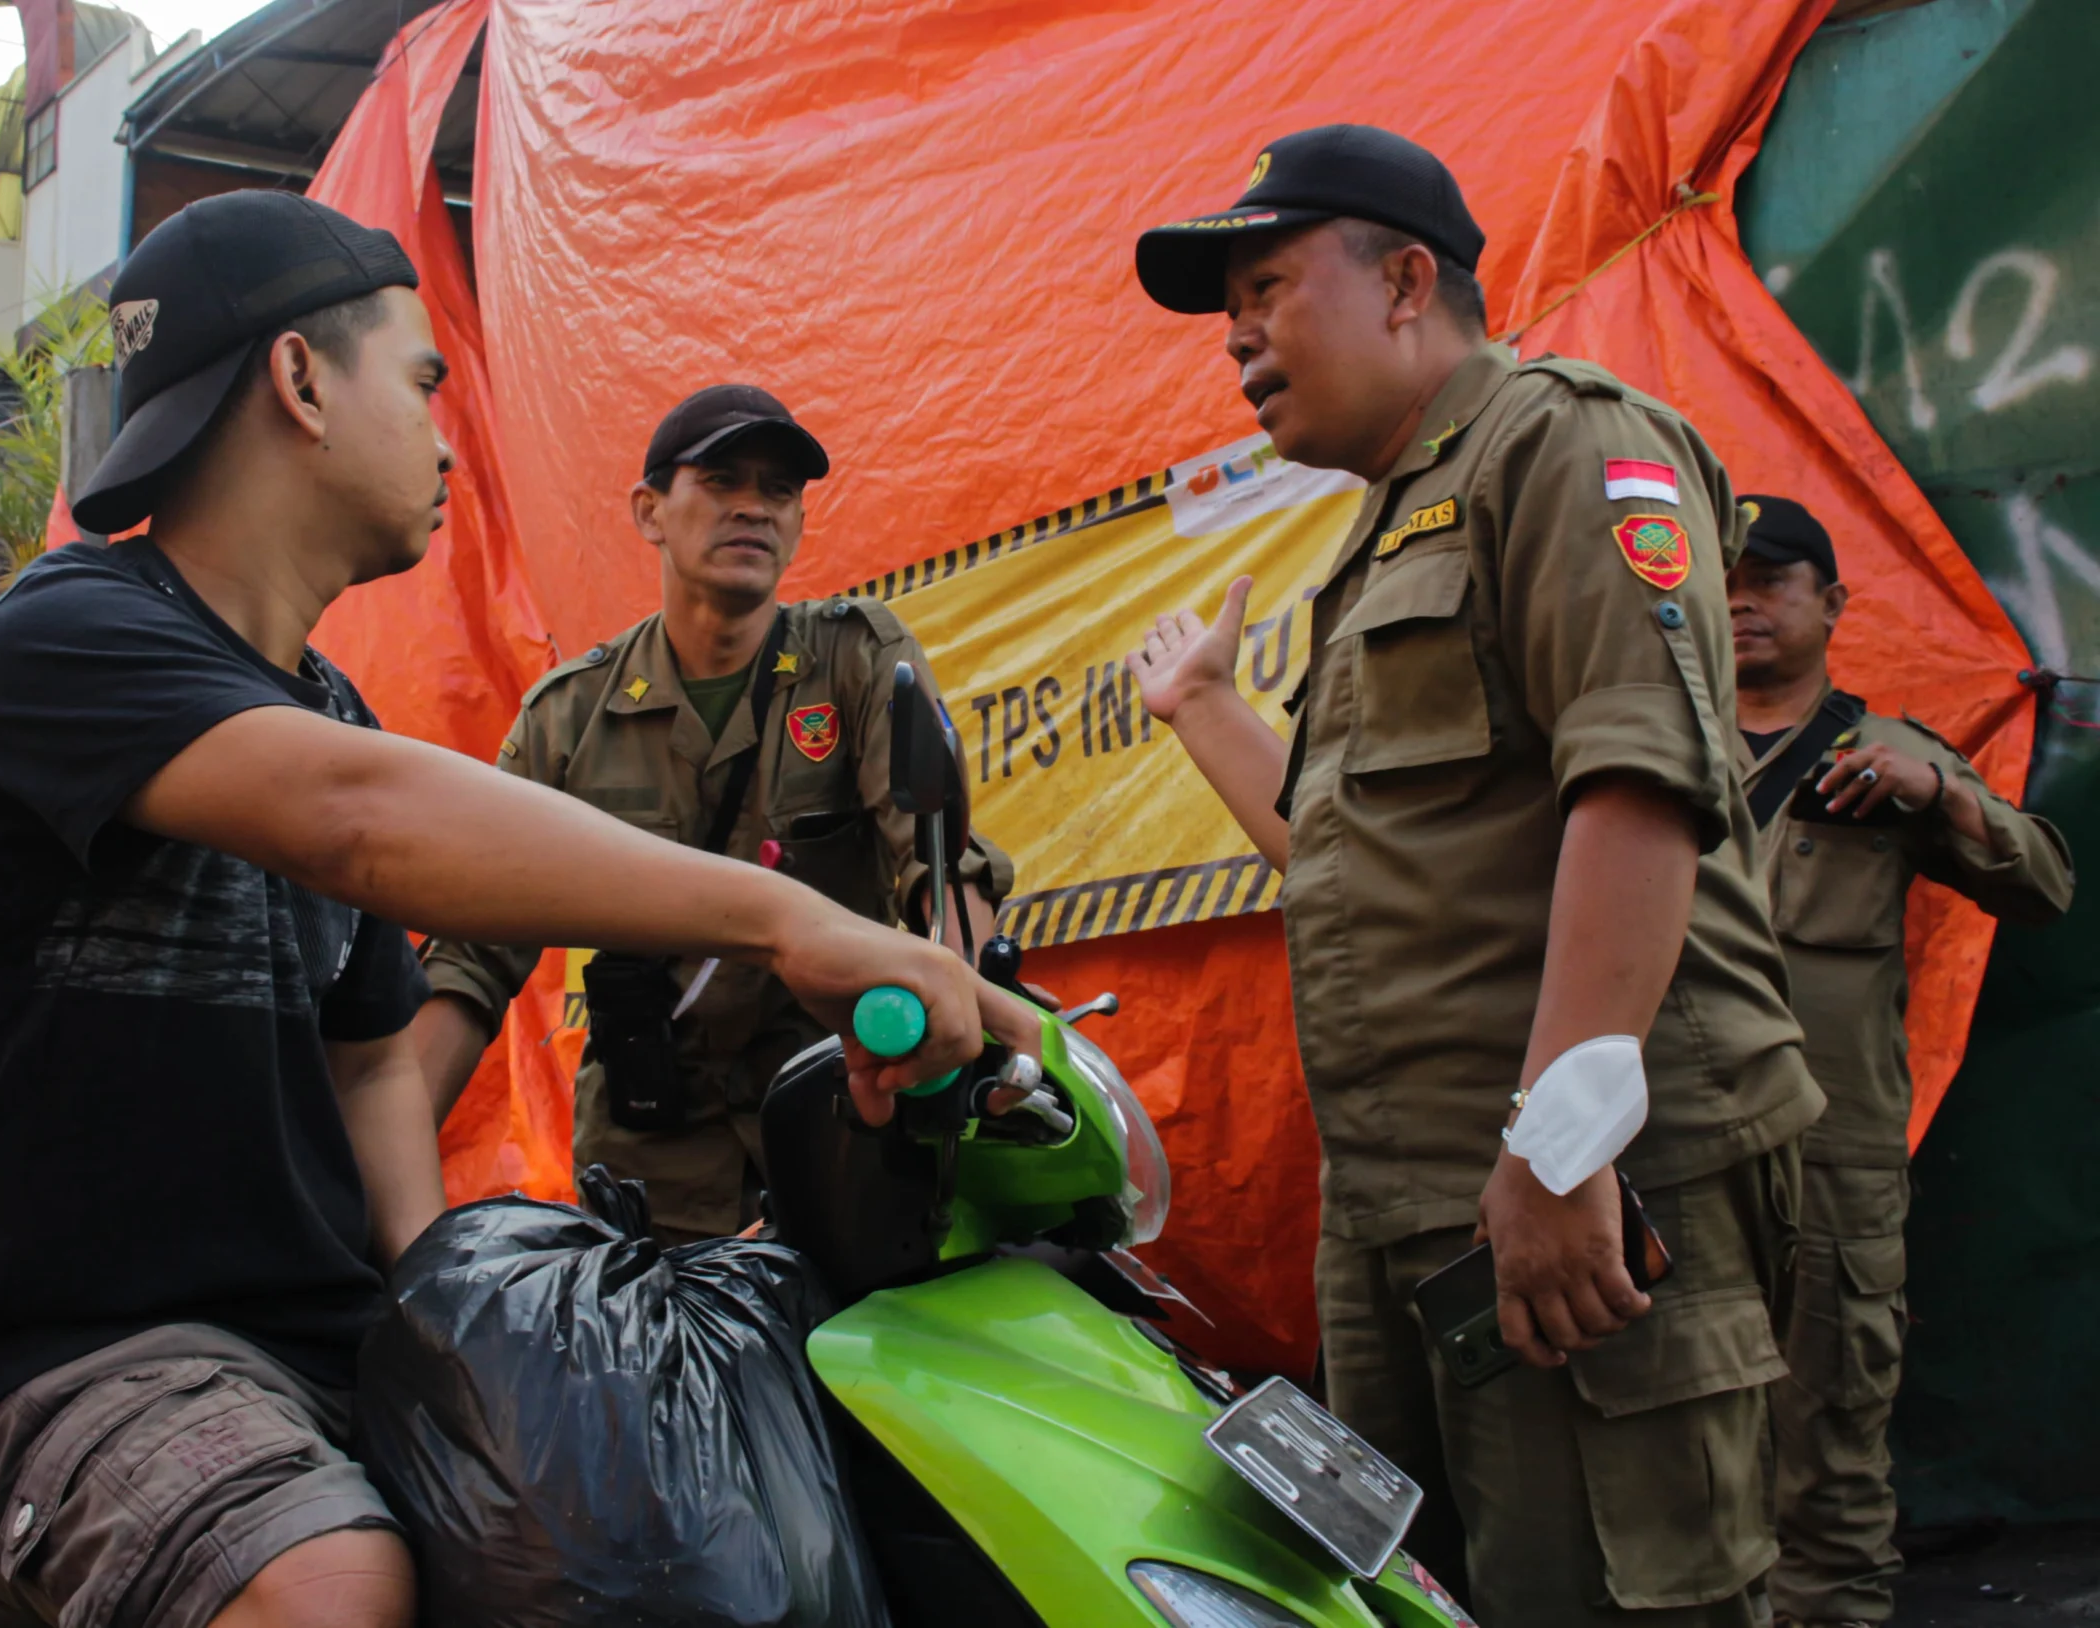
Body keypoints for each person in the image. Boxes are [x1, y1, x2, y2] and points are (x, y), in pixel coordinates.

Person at [0, 190, 1028, 1628]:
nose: (448, 435)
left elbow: (373, 1064)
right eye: (420, 382)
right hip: (52, 1360)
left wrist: (448, 1324)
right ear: (298, 381)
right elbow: (364, 823)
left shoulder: (331, 701)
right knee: (334, 1584)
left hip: (307, 1340)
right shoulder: (66, 639)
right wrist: (790, 922)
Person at [1122, 125, 1824, 1623]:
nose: (1237, 333)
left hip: (1582, 1188)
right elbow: (1351, 866)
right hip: (1422, 1207)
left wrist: (1562, 1145)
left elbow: (1638, 786)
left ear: (1404, 281)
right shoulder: (1385, 534)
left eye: (1264, 282)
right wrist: (1207, 713)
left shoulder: (1565, 443)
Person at [409, 385, 1012, 1243]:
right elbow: (471, 946)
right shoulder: (572, 717)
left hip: (837, 1124)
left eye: (778, 491)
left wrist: (948, 1033)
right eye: (722, 479)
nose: (753, 508)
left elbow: (941, 866)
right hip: (649, 1163)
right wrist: (377, 1181)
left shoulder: (855, 663)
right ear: (649, 512)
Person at [1727, 495, 2072, 1628]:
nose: (1740, 598)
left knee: (1826, 1427)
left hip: (1832, 1155)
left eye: (1772, 578)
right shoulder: (1647, 757)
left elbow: (2044, 886)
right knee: (1672, 1430)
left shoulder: (1885, 756)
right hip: (1673, 1149)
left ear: (1830, 603)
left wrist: (1942, 794)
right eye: (1722, 576)